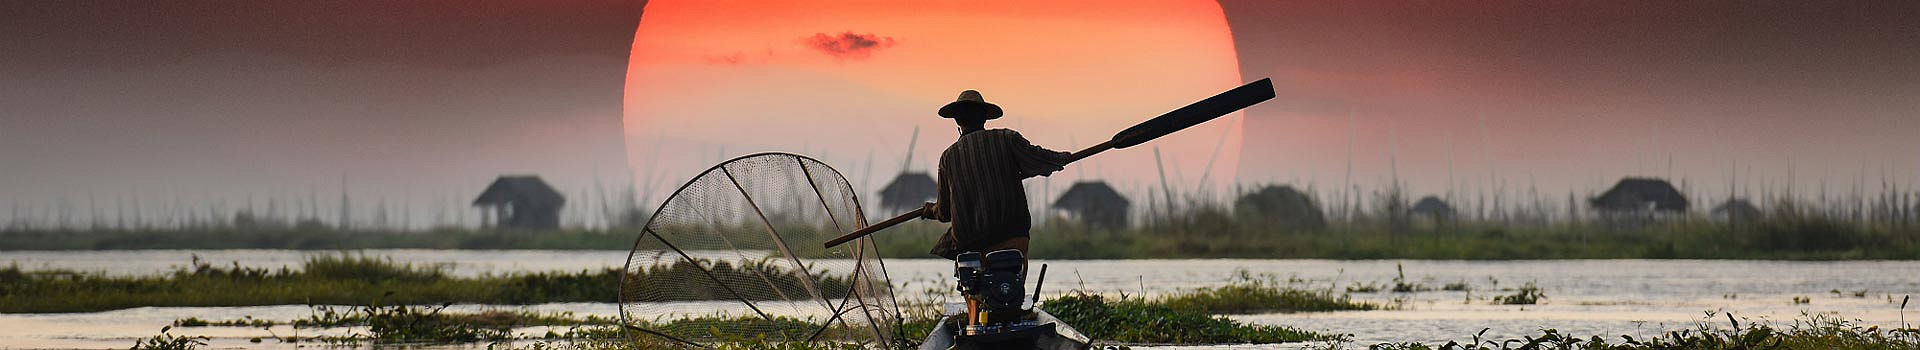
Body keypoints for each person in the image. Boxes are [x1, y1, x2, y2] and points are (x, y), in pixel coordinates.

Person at [922, 90, 1072, 260]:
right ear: (984, 118)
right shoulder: (1007, 138)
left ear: (957, 120)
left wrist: (930, 210)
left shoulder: (948, 158)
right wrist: (1064, 158)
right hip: (1015, 236)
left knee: (966, 272)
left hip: (972, 244)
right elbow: (1040, 158)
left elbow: (943, 212)